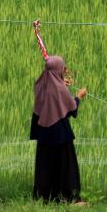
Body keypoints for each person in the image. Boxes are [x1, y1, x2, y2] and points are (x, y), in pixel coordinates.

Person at [30, 56, 87, 204]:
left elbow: (51, 98)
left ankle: (45, 197)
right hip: (60, 135)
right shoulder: (60, 88)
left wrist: (62, 85)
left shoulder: (41, 84)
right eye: (63, 67)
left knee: (46, 165)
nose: (64, 69)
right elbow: (71, 110)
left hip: (44, 135)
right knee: (65, 166)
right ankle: (69, 197)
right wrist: (79, 97)